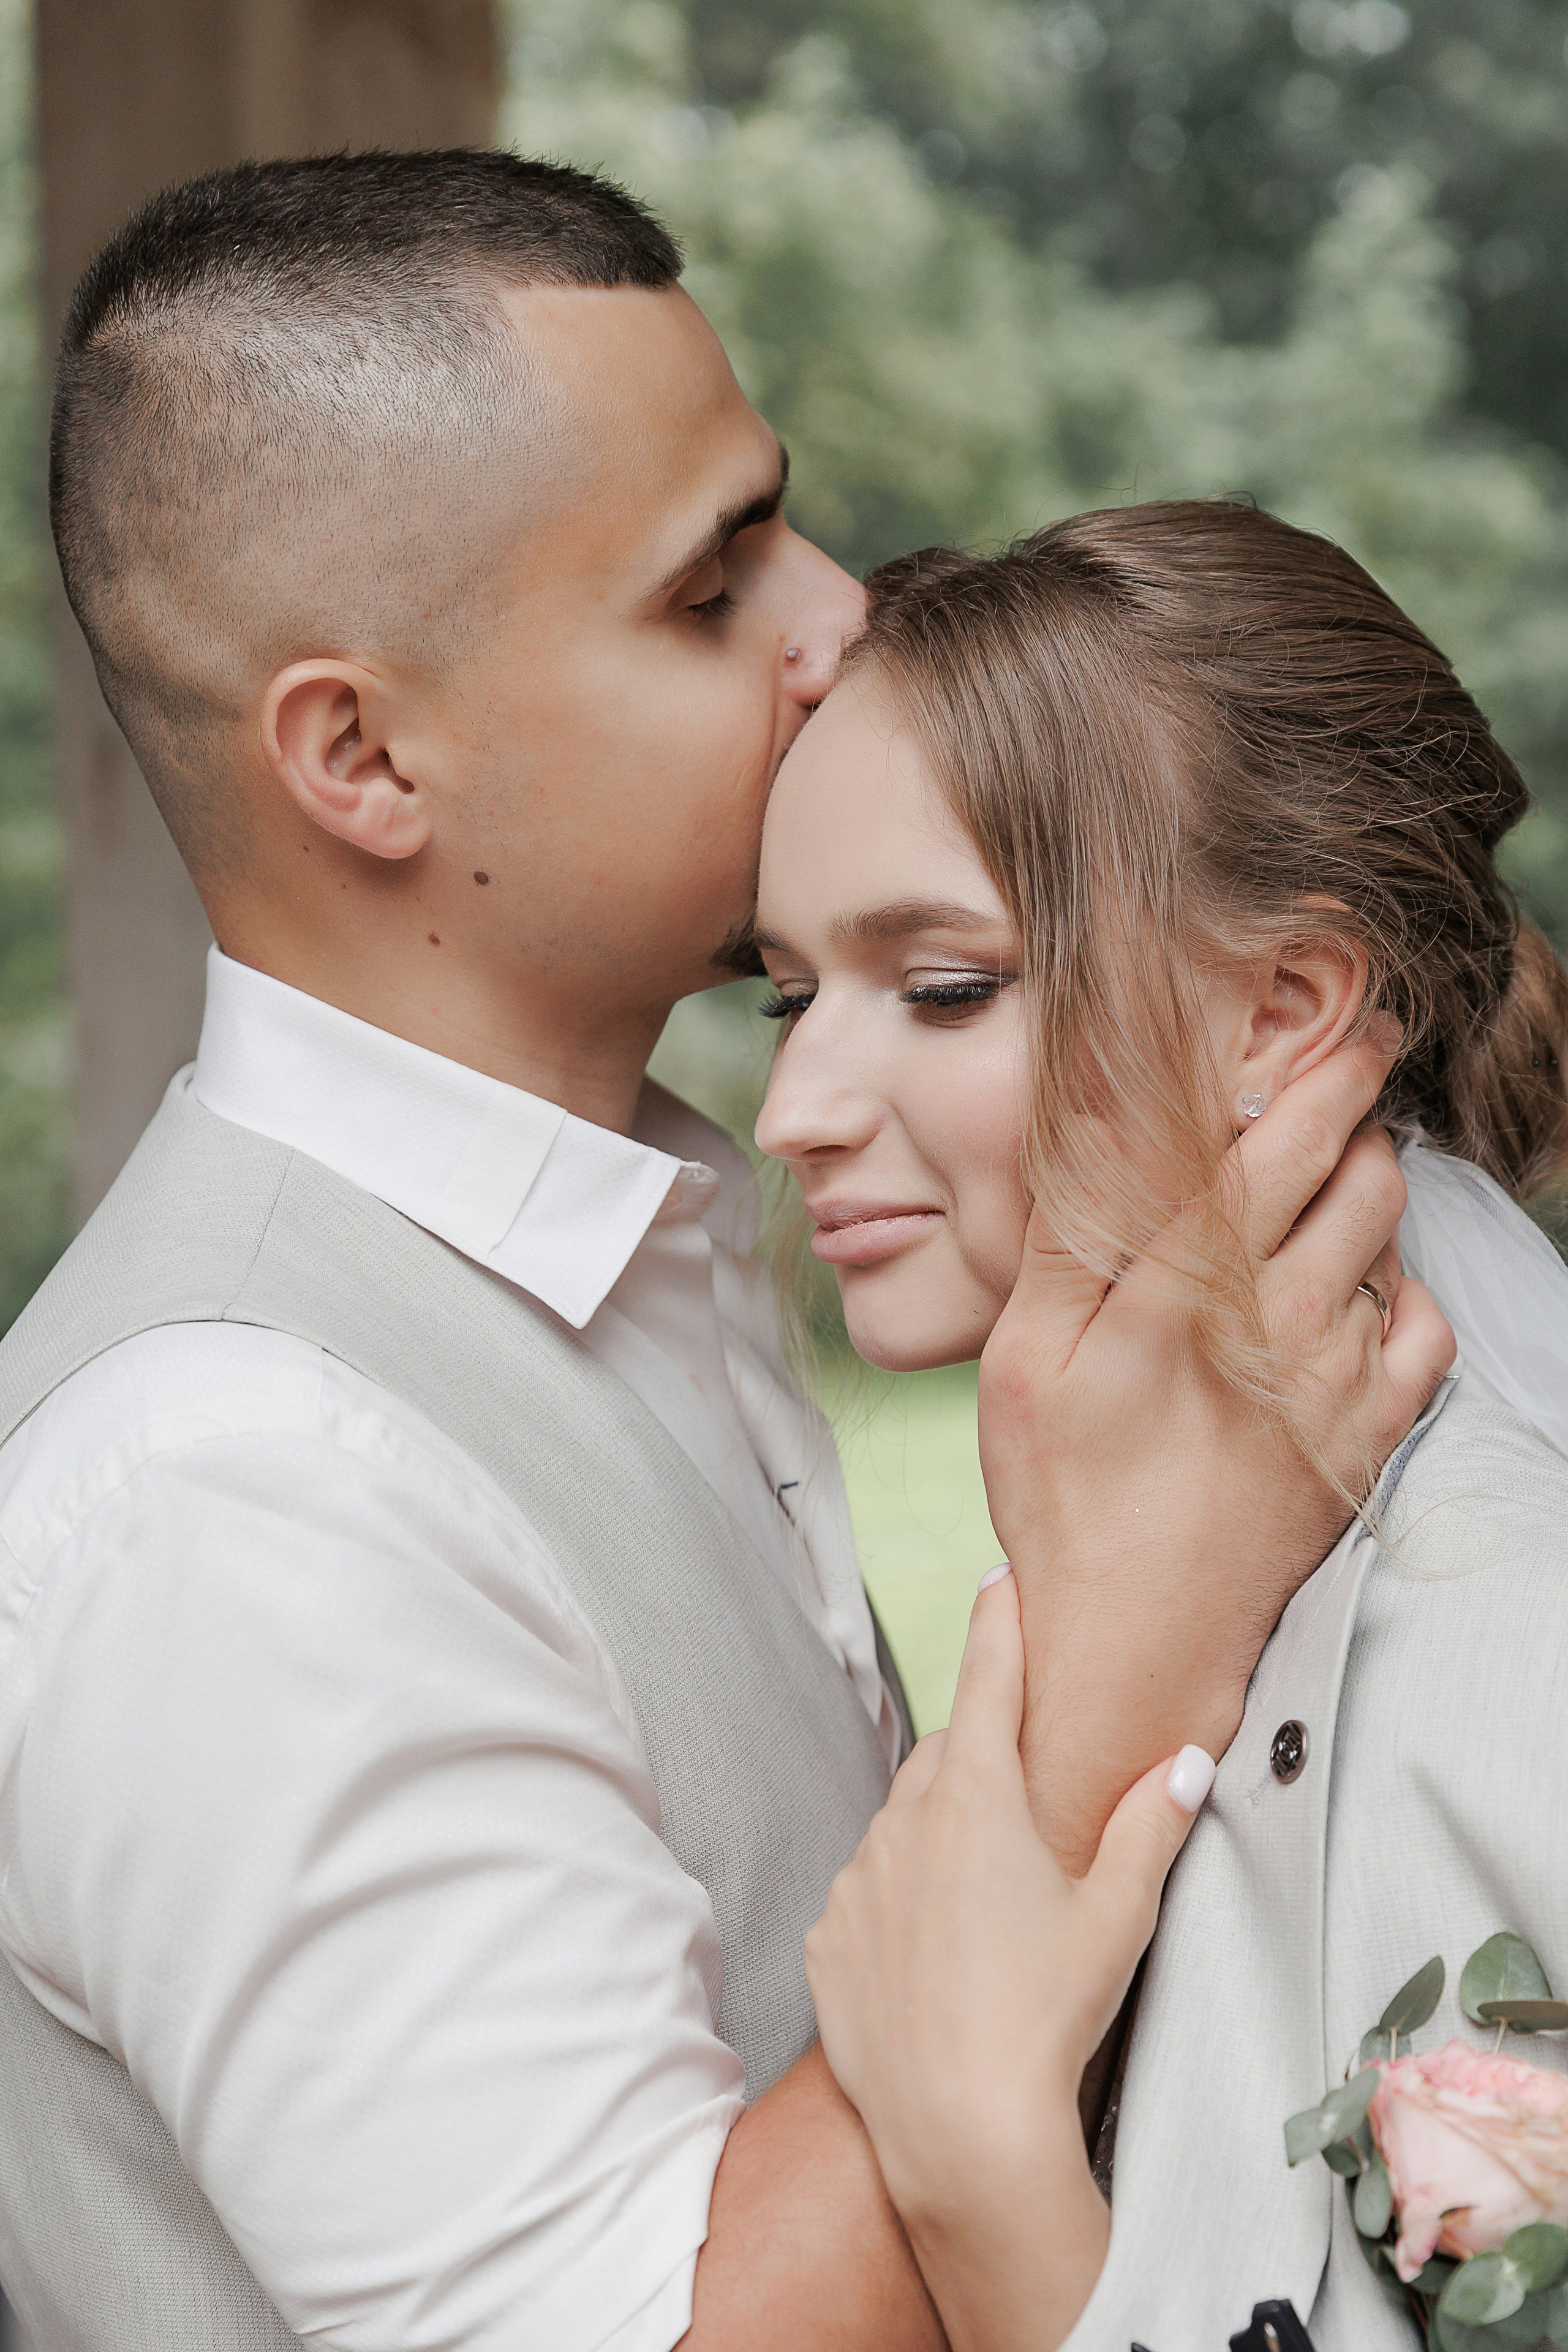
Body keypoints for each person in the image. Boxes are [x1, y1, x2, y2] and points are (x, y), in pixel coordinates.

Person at [0, 157, 1447, 2352]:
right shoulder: (238, 1484)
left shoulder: (640, 1221)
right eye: (709, 590)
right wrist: (1131, 1651)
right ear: (363, 755)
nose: (840, 615)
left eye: (781, 514)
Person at [758, 499, 1568, 2350]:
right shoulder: (1131, 1572)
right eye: (789, 991)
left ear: (1285, 1008)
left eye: (942, 986)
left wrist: (981, 2177)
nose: (794, 1102)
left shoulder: (1498, 1648)